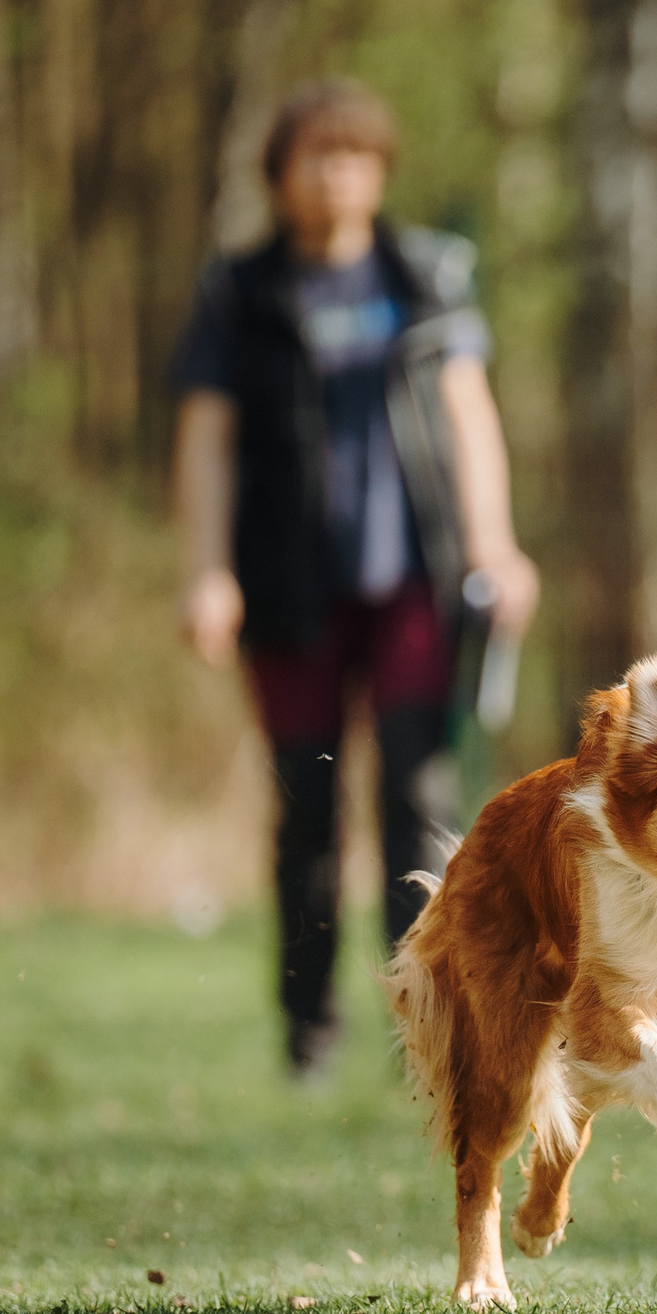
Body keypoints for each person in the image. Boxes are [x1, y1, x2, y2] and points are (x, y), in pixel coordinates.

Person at [171, 78, 539, 1079]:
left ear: (379, 172)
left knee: (419, 805)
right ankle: (309, 1028)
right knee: (309, 811)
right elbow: (206, 436)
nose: (336, 176)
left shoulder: (422, 276)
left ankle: (419, 1023)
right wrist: (206, 571)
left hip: (412, 583)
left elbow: (467, 410)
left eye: (355, 157)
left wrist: (494, 547)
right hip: (288, 590)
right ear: (280, 177)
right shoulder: (241, 293)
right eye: (315, 158)